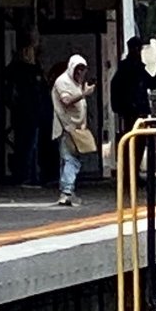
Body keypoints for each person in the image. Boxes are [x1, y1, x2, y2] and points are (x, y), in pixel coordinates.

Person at [111, 36, 156, 178]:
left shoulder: (130, 68)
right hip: (133, 112)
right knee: (134, 144)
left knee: (136, 143)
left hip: (133, 111)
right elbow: (152, 83)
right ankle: (131, 174)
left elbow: (152, 83)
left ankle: (132, 173)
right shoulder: (131, 68)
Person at [51, 54, 94, 207]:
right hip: (66, 127)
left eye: (83, 69)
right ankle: (67, 191)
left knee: (68, 160)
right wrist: (84, 93)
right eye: (77, 69)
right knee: (71, 160)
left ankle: (66, 190)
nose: (80, 73)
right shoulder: (63, 82)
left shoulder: (76, 83)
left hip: (76, 128)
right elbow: (66, 100)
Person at [4, 43, 46, 187]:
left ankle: (27, 176)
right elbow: (41, 91)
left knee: (26, 146)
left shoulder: (15, 70)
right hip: (31, 113)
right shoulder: (34, 71)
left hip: (22, 113)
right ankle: (29, 176)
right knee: (30, 146)